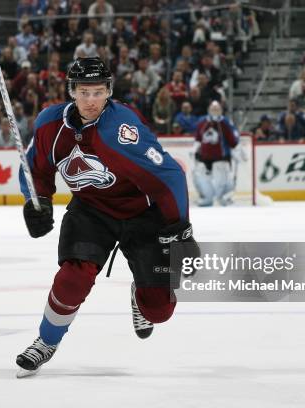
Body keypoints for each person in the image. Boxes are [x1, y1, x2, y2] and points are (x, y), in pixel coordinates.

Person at [15, 57, 197, 377]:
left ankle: (141, 297)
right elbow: (34, 169)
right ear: (71, 91)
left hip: (143, 212)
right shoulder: (49, 125)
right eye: (83, 92)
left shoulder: (122, 128)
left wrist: (180, 229)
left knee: (160, 310)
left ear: (108, 91)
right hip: (92, 210)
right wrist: (36, 200)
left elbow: (169, 175)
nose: (90, 100)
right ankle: (46, 340)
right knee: (73, 277)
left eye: (98, 92)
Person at [192, 101, 243, 207]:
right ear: (208, 110)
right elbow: (198, 138)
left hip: (221, 158)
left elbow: (232, 141)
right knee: (200, 176)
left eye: (217, 109)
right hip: (204, 158)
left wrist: (237, 151)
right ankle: (207, 198)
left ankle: (223, 196)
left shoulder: (225, 122)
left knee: (223, 180)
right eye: (213, 109)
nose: (215, 111)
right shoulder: (202, 122)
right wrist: (194, 149)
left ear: (221, 110)